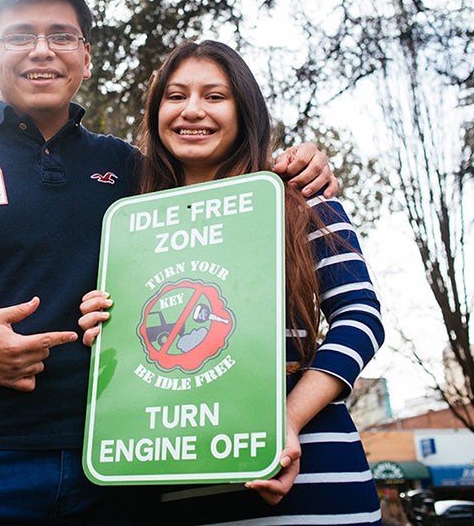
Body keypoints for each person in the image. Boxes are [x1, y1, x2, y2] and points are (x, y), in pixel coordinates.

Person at [0, 0, 337, 525]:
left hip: (117, 464)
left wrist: (297, 164)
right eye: (19, 36)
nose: (41, 51)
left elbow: (223, 200)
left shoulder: (135, 169)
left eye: (61, 36)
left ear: (84, 58)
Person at [79, 40, 385, 525]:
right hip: (179, 487)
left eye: (215, 96)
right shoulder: (133, 227)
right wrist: (106, 327)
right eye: (175, 96)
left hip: (310, 475)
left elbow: (361, 319)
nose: (192, 111)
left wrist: (283, 423)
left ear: (245, 111)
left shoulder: (299, 199)